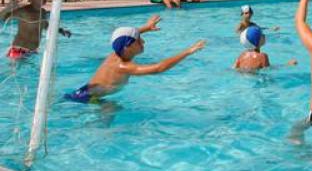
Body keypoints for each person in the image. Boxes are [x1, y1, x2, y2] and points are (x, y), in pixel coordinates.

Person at [64, 15, 206, 103]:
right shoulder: (123, 67)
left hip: (84, 91)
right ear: (128, 47)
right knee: (111, 110)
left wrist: (146, 28)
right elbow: (159, 68)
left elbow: (123, 37)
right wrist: (188, 51)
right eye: (139, 40)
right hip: (88, 98)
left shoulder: (115, 53)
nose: (143, 41)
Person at [1, 0, 71, 59]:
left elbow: (46, 25)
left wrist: (61, 30)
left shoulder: (43, 12)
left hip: (33, 52)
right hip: (18, 50)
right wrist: (7, 9)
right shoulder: (24, 11)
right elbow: (3, 18)